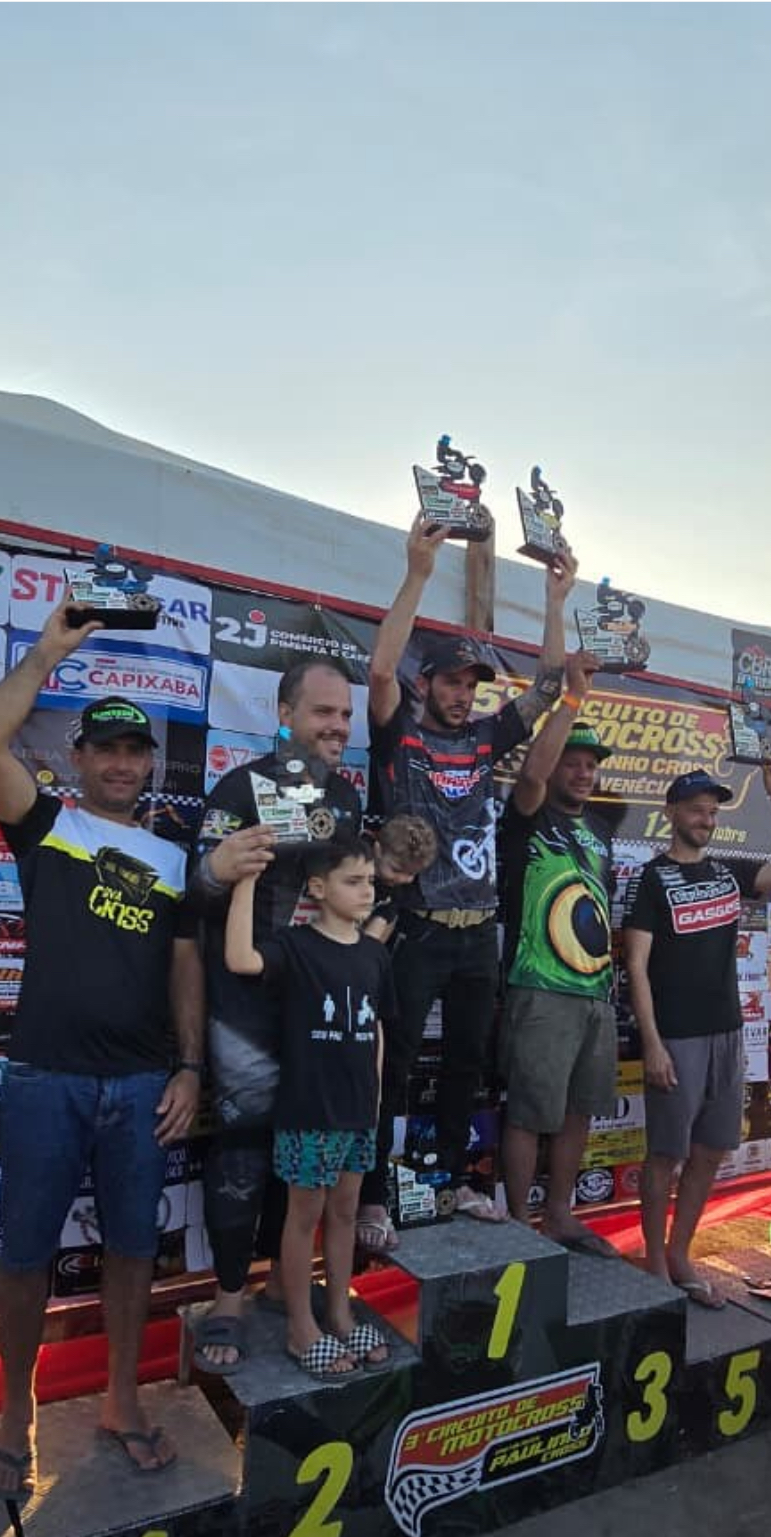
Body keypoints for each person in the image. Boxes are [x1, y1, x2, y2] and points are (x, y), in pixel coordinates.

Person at [0, 597, 204, 1494]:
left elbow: (186, 969)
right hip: (45, 1080)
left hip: (141, 1085)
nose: (120, 762)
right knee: (24, 1254)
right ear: (78, 759)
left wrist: (190, 1067)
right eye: (105, 748)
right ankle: (15, 1408)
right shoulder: (48, 825)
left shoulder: (176, 857)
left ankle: (120, 1401)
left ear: (150, 765)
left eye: (134, 750)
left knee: (135, 1249)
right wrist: (44, 655)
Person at [365, 512, 570, 1234]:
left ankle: (450, 1184)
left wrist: (555, 600)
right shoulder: (400, 734)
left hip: (479, 933)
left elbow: (548, 689)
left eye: (472, 684)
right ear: (427, 684)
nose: (463, 693)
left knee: (465, 1066)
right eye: (451, 681)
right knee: (391, 1066)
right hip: (417, 930)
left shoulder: (485, 738)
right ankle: (374, 1196)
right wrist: (417, 573)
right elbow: (380, 671)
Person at [188, 656, 363, 1373]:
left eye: (345, 714)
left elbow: (354, 901)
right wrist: (215, 869)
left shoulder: (346, 798)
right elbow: (193, 894)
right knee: (243, 1150)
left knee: (312, 1159)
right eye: (324, 712)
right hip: (247, 1008)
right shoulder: (238, 788)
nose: (338, 726)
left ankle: (286, 1289)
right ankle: (228, 1298)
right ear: (284, 714)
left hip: (319, 1012)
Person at [623, 763, 771, 1307]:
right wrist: (652, 1043)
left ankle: (681, 1256)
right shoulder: (651, 878)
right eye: (696, 810)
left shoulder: (730, 871)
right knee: (665, 1155)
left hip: (728, 1033)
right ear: (672, 813)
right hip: (676, 1037)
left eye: (712, 812)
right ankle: (655, 1263)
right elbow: (636, 966)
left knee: (710, 1151)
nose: (706, 820)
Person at [225, 836, 395, 1379]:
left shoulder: (375, 953)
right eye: (353, 881)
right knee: (304, 1216)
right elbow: (240, 959)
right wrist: (246, 880)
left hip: (357, 1112)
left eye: (370, 881)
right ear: (318, 888)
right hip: (308, 1111)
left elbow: (376, 1028)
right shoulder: (295, 945)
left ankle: (339, 1312)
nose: (366, 891)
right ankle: (301, 1327)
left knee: (344, 1212)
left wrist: (374, 1098)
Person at [498, 651, 620, 1253]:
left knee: (579, 1111)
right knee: (530, 1111)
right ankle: (521, 1223)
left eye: (590, 765)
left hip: (594, 992)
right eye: (572, 761)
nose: (582, 773)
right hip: (539, 987)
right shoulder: (529, 812)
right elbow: (529, 777)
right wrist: (571, 700)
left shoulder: (600, 833)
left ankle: (560, 1216)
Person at [362, 815, 440, 948]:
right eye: (396, 870)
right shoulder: (354, 863)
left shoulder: (395, 890)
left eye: (411, 874)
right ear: (377, 850)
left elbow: (378, 928)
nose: (402, 879)